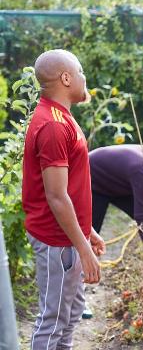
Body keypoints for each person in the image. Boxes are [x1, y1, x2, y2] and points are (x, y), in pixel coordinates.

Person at [22, 49, 105, 350]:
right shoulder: (54, 125)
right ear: (66, 78)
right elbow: (56, 196)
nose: (85, 78)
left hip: (69, 236)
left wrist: (87, 230)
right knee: (54, 319)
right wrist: (83, 249)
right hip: (58, 241)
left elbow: (68, 189)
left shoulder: (62, 118)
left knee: (69, 317)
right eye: (81, 72)